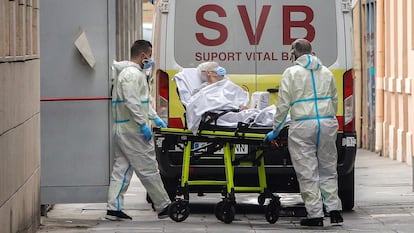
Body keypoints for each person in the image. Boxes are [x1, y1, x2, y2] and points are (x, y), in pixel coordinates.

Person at [264, 38, 343, 227]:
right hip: (326, 123)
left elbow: (283, 104)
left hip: (303, 126)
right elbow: (334, 99)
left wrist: (276, 130)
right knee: (328, 168)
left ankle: (315, 214)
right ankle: (334, 211)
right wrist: (328, 118)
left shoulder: (291, 73)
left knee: (308, 170)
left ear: (294, 53)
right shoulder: (326, 72)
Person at [106, 40, 171, 221]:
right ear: (143, 56)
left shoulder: (132, 74)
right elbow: (133, 102)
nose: (150, 60)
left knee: (122, 169)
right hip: (133, 131)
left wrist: (154, 117)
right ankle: (164, 205)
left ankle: (114, 207)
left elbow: (141, 102)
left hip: (125, 128)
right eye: (149, 57)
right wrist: (143, 124)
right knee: (149, 168)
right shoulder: (132, 75)